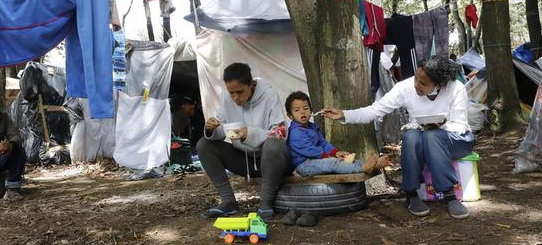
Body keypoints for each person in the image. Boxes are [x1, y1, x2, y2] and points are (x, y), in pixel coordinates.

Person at [322, 55, 474, 219]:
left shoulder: (456, 88)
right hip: (425, 140)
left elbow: (460, 126)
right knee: (411, 137)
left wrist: (441, 125)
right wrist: (344, 115)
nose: (416, 85)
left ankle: (450, 195)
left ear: (439, 84)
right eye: (416, 78)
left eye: (423, 83)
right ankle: (411, 194)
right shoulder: (405, 88)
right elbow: (374, 110)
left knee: (432, 136)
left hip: (456, 140)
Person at [197, 63, 291, 219]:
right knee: (204, 145)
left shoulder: (269, 95)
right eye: (231, 92)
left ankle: (266, 202)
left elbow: (280, 133)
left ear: (251, 85)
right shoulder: (226, 98)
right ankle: (228, 202)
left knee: (273, 145)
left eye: (240, 92)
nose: (235, 98)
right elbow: (222, 129)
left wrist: (250, 133)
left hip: (272, 162)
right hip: (244, 161)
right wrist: (212, 129)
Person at [285, 91, 388, 177]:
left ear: (311, 111)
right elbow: (311, 151)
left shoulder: (312, 127)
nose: (302, 112)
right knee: (332, 163)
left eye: (306, 108)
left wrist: (335, 152)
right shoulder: (295, 132)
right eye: (297, 110)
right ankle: (362, 168)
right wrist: (329, 156)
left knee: (347, 159)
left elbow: (323, 143)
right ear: (290, 116)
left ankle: (371, 165)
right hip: (304, 166)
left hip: (317, 160)